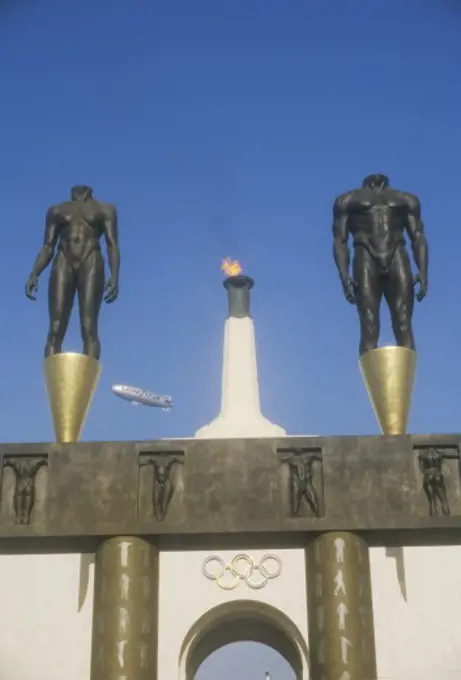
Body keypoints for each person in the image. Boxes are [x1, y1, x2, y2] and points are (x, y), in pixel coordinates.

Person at [333, 173, 428, 355]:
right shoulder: (347, 200)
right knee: (369, 325)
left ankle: (404, 383)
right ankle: (372, 383)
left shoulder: (406, 199)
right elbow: (340, 240)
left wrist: (423, 271)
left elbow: (417, 236)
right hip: (365, 254)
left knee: (403, 321)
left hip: (397, 254)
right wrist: (344, 276)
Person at [25, 185, 120, 359]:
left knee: (89, 326)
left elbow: (112, 243)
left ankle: (87, 385)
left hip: (90, 259)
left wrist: (114, 276)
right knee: (55, 328)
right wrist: (35, 272)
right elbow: (47, 246)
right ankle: (54, 384)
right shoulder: (57, 210)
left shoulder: (105, 209)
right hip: (63, 260)